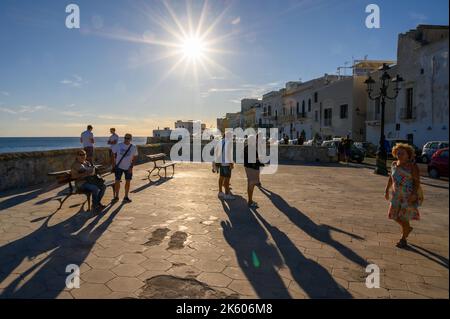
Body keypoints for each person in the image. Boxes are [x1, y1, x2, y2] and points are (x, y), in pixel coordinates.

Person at [385, 143, 423, 248]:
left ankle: (403, 239)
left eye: (402, 153)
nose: (399, 154)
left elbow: (417, 182)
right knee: (393, 215)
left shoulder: (412, 167)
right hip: (396, 195)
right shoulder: (393, 164)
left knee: (404, 217)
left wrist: (414, 194)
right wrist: (386, 190)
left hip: (407, 196)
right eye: (398, 152)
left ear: (408, 155)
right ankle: (407, 229)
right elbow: (390, 178)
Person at [112, 133, 138, 203]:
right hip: (119, 166)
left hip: (128, 167)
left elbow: (135, 157)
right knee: (117, 181)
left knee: (128, 181)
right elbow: (113, 153)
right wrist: (114, 164)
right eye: (125, 138)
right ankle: (116, 196)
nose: (126, 139)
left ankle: (126, 196)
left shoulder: (133, 147)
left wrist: (131, 166)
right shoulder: (119, 145)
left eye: (128, 138)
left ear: (131, 139)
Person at [244, 135, 263, 208]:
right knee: (251, 184)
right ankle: (250, 201)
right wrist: (259, 162)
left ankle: (250, 200)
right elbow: (254, 160)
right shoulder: (251, 148)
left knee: (250, 183)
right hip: (252, 169)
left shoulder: (246, 147)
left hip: (248, 167)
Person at [214, 131, 235, 200]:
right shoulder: (229, 142)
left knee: (221, 177)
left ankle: (220, 192)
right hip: (226, 163)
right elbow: (228, 154)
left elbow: (216, 152)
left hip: (221, 163)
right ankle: (227, 194)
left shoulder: (220, 141)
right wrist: (231, 163)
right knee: (227, 179)